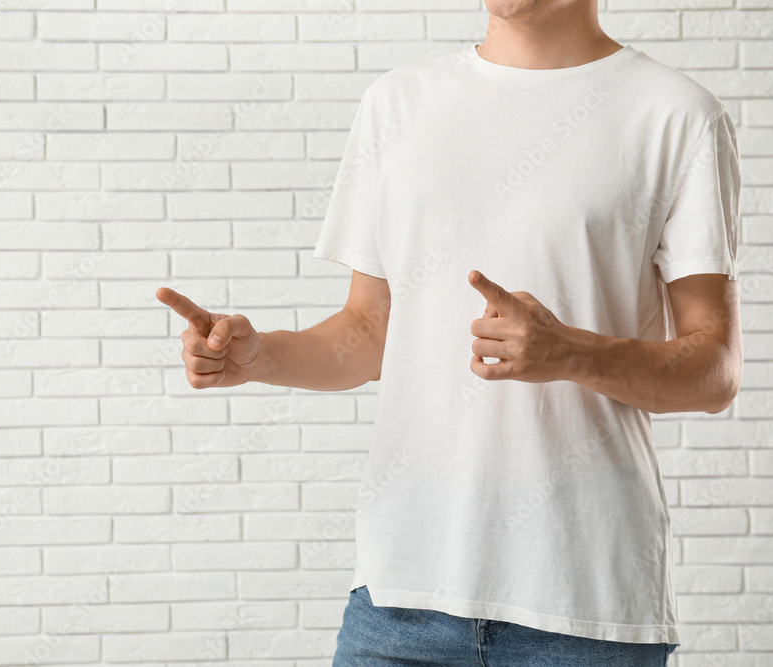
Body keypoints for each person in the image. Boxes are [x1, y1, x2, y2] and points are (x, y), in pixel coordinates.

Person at [156, 0, 742, 664]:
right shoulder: (398, 103)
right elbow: (368, 331)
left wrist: (574, 352)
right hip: (399, 602)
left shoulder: (676, 114)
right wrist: (260, 357)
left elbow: (716, 370)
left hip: (586, 609)